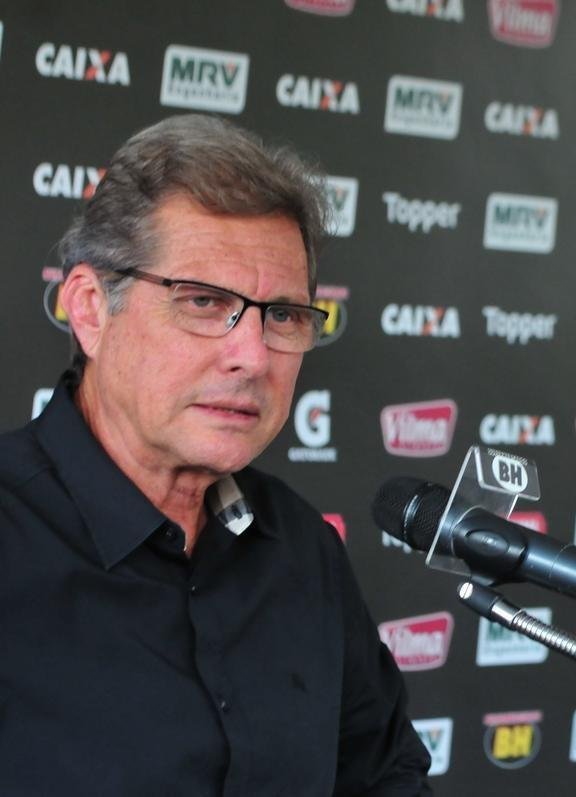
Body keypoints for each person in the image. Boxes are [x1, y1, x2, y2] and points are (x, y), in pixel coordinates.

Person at [0, 115, 432, 795]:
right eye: (203, 301)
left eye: (283, 315)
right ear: (89, 309)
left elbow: (384, 777)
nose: (252, 356)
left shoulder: (303, 549)